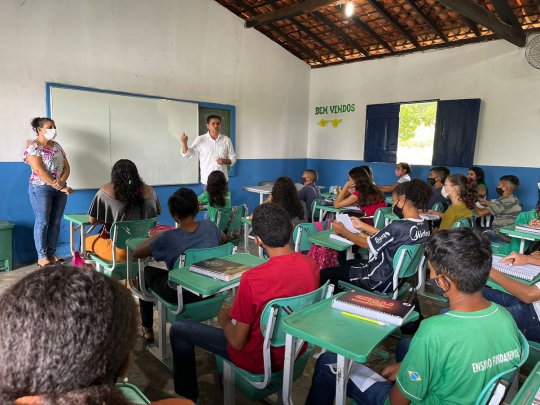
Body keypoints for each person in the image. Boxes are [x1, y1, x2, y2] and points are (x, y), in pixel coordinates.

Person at [306, 228, 524, 405]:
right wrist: (407, 367)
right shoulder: (505, 317)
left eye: (431, 273)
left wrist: (404, 379)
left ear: (442, 283)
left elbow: (396, 402)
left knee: (328, 363)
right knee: (406, 346)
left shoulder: (434, 331)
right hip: (468, 393)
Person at [169, 203, 319, 401]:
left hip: (257, 359)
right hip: (295, 351)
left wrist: (223, 321)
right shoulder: (311, 265)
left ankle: (187, 398)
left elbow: (237, 342)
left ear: (257, 240)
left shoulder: (253, 279)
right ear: (291, 228)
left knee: (179, 329)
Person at [133, 188, 225, 343]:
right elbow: (223, 238)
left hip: (180, 294)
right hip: (210, 287)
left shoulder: (168, 237)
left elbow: (136, 252)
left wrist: (157, 236)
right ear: (197, 209)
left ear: (173, 214)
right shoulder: (210, 226)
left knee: (145, 271)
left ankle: (147, 328)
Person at [320, 179, 431, 294]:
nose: (393, 205)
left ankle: (338, 299)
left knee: (325, 273)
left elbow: (366, 244)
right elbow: (390, 236)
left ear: (402, 200)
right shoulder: (424, 225)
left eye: (394, 202)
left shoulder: (396, 226)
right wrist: (362, 225)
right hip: (396, 280)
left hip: (377, 280)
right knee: (347, 263)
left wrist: (343, 230)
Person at [85, 159, 161, 262]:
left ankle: (85, 271)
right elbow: (154, 217)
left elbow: (93, 220)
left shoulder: (104, 192)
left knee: (85, 242)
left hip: (119, 252)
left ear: (114, 176)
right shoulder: (151, 192)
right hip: (145, 250)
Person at [23, 117, 73, 267]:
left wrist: (62, 182)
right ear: (40, 129)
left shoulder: (57, 145)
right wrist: (59, 186)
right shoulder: (33, 147)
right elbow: (39, 170)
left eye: (54, 126)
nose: (54, 130)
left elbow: (66, 167)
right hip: (40, 188)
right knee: (42, 222)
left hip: (59, 188)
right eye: (50, 127)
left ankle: (51, 253)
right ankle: (42, 257)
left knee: (55, 222)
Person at [484, 251, 540, 342]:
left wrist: (487, 268)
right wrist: (529, 259)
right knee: (474, 292)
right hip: (532, 304)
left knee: (483, 320)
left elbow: (529, 295)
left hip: (535, 319)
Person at [180, 115, 236, 188]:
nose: (216, 126)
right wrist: (184, 143)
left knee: (224, 196)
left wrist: (225, 161)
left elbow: (233, 158)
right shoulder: (200, 139)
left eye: (218, 123)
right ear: (207, 126)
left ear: (220, 125)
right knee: (208, 196)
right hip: (207, 181)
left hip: (223, 180)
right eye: (213, 123)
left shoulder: (226, 140)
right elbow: (188, 155)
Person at [475, 175, 522, 243]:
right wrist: (487, 203)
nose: (497, 187)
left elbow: (480, 213)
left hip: (500, 236)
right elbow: (503, 207)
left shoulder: (501, 201)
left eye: (499, 185)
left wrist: (472, 204)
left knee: (477, 235)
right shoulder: (514, 199)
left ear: (505, 188)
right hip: (509, 236)